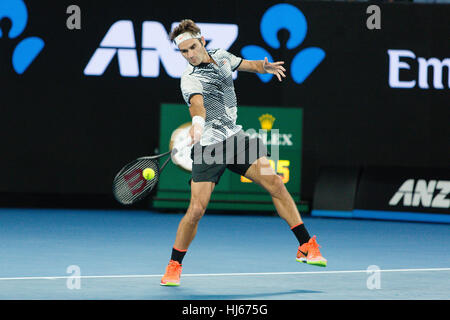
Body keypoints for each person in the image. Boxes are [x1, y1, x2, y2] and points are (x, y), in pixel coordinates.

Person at [161, 19, 327, 286]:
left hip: (235, 139)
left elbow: (244, 64)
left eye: (192, 47)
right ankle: (174, 264)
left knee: (275, 183)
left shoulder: (222, 56)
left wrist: (263, 67)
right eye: (184, 52)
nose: (189, 55)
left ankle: (306, 244)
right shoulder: (189, 78)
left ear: (202, 41)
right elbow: (198, 106)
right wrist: (197, 125)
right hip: (208, 148)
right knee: (196, 210)